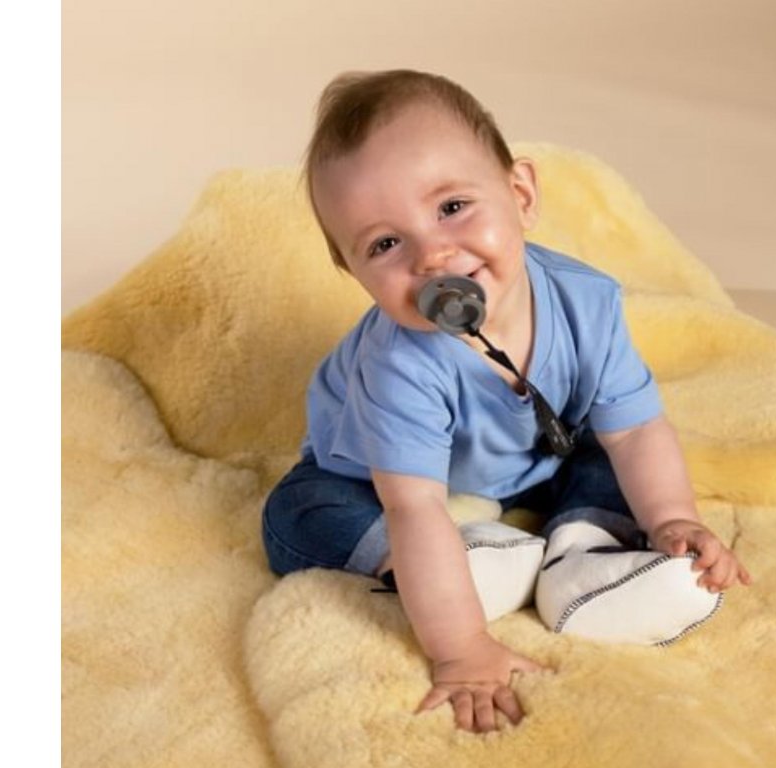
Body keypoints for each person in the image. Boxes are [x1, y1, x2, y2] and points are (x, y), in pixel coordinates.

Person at [262, 69, 751, 734]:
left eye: (452, 207)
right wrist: (462, 651)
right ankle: (454, 571)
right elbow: (414, 505)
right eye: (385, 244)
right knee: (295, 517)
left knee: (609, 449)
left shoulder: (585, 302)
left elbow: (636, 432)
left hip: (535, 457)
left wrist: (672, 520)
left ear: (520, 195)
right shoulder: (399, 364)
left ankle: (581, 555)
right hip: (384, 484)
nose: (433, 255)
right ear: (356, 274)